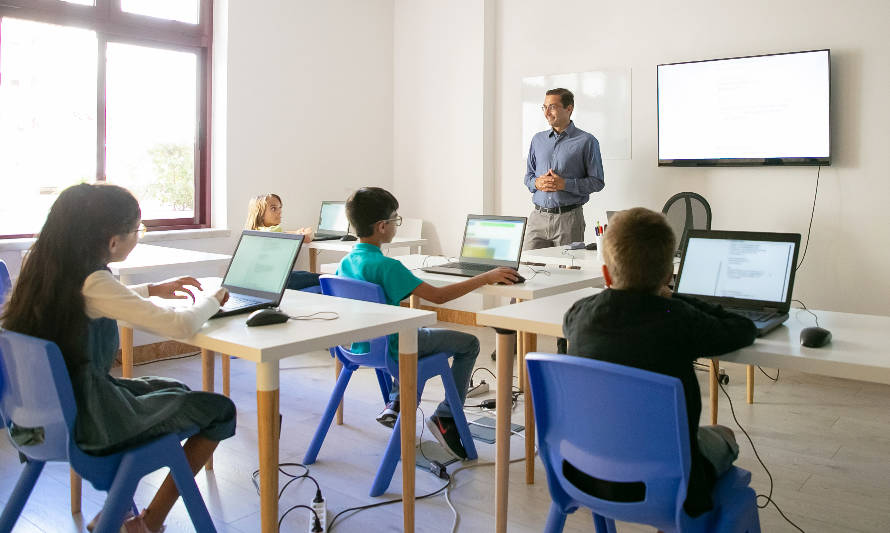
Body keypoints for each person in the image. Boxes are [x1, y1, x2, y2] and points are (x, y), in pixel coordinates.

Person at [2, 183, 236, 533]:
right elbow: (181, 324)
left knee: (170, 386)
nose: (137, 237)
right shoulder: (94, 280)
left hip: (36, 423)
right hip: (89, 422)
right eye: (136, 231)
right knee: (219, 410)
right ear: (113, 242)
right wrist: (215, 298)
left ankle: (119, 515)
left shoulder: (43, 268)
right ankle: (148, 523)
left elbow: (96, 299)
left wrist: (151, 290)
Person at [561, 207, 756, 517]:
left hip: (583, 474)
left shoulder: (578, 314)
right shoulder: (678, 318)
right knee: (724, 435)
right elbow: (742, 328)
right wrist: (674, 298)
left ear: (607, 274)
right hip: (668, 485)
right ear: (668, 275)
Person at [338, 187, 520, 458]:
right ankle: (445, 417)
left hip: (359, 348)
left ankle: (397, 401)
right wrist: (486, 276)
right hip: (395, 349)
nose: (396, 225)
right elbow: (439, 296)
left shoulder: (346, 262)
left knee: (411, 328)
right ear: (381, 227)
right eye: (395, 220)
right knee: (469, 343)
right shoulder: (387, 267)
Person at [524, 87, 605, 250]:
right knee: (526, 268)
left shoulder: (587, 141)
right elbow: (528, 177)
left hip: (568, 220)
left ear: (569, 108)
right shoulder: (537, 140)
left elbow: (597, 182)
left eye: (552, 107)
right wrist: (536, 183)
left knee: (567, 273)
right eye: (544, 107)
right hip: (537, 219)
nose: (547, 113)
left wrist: (565, 184)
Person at [245, 193, 321, 291]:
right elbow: (306, 238)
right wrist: (306, 232)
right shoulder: (274, 231)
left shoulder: (255, 231)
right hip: (279, 281)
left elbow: (284, 233)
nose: (279, 212)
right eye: (273, 208)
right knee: (320, 277)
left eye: (280, 208)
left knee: (304, 273)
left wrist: (297, 232)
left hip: (262, 280)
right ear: (260, 213)